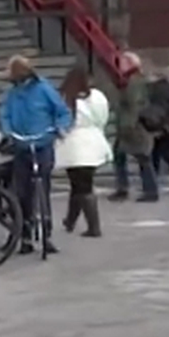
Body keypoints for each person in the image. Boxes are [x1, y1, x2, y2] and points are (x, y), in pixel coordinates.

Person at [0, 55, 72, 255]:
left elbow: (62, 112)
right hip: (21, 146)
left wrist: (60, 128)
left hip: (42, 144)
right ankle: (26, 235)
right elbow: (5, 115)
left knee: (42, 187)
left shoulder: (44, 89)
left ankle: (46, 233)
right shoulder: (13, 94)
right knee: (22, 192)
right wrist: (7, 132)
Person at [55, 66, 111, 238]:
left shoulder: (65, 97)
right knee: (81, 185)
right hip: (93, 142)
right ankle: (70, 220)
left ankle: (93, 226)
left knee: (80, 186)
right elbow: (103, 118)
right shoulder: (97, 96)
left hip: (73, 144)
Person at [110, 52, 158, 201]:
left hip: (133, 126)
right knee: (120, 155)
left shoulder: (134, 81)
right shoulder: (129, 80)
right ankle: (123, 188)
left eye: (122, 62)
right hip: (128, 125)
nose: (119, 65)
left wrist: (128, 125)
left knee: (142, 157)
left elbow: (134, 105)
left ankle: (150, 190)